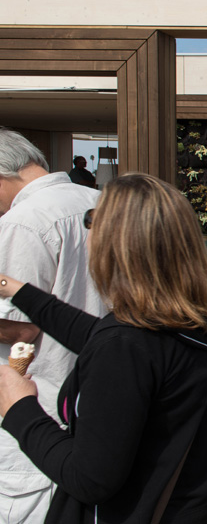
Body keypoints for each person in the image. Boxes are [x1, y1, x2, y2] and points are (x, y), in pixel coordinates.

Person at [0, 173, 207, 522]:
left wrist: (19, 408)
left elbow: (89, 479)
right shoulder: (197, 315)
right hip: (195, 505)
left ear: (118, 240)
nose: (87, 229)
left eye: (92, 219)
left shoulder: (126, 345)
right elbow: (97, 335)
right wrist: (14, 288)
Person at [0, 129, 107, 522]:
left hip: (40, 396)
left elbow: (20, 328)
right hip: (99, 396)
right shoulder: (100, 201)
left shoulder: (23, 221)